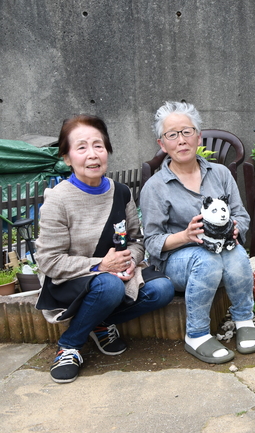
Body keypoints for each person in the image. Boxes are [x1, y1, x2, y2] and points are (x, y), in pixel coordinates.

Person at [35, 115, 175, 383]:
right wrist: (100, 266)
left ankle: (98, 321)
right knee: (108, 286)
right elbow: (48, 261)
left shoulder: (120, 192)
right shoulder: (58, 200)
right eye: (81, 147)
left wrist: (130, 262)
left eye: (98, 145)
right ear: (67, 157)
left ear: (107, 150)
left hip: (117, 273)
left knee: (163, 290)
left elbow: (136, 239)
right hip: (72, 279)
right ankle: (69, 345)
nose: (92, 155)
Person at [140, 101, 255, 364]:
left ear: (198, 136)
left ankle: (244, 319)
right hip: (179, 264)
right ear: (162, 144)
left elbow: (241, 214)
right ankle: (196, 335)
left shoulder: (220, 174)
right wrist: (185, 236)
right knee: (205, 259)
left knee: (238, 253)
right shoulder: (155, 187)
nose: (181, 140)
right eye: (172, 135)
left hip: (221, 257)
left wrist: (236, 227)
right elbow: (151, 241)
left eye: (187, 131)